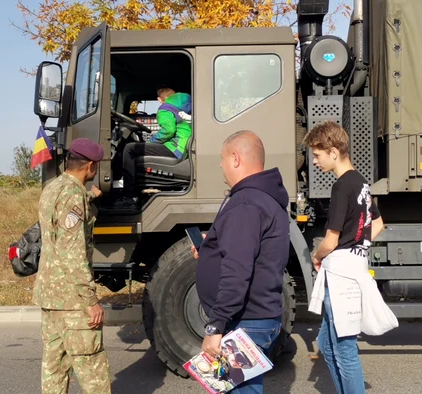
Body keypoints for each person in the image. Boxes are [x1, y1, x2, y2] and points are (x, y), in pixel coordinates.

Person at [191, 130, 290, 394]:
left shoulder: (246, 203)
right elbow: (252, 253)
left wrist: (215, 325)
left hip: (244, 321)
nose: (221, 165)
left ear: (235, 158)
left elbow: (237, 270)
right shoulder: (264, 199)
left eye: (222, 159)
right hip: (258, 317)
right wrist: (212, 245)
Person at [302, 120, 397, 394]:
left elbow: (330, 240)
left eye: (318, 155)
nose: (316, 162)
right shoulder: (361, 183)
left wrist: (316, 256)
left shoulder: (342, 186)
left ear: (333, 151)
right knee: (329, 343)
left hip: (341, 275)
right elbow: (377, 224)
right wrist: (359, 246)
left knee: (343, 349)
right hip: (352, 269)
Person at [32, 138, 112, 394]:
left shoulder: (53, 188)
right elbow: (73, 251)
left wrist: (90, 197)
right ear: (89, 166)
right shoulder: (73, 196)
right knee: (92, 368)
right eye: (95, 166)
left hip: (50, 296)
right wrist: (90, 299)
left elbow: (64, 220)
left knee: (55, 367)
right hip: (72, 299)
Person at [121, 86, 192, 194]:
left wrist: (150, 142)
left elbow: (168, 131)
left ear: (159, 99)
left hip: (176, 148)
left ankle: (128, 193)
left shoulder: (165, 108)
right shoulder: (189, 100)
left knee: (130, 148)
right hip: (186, 146)